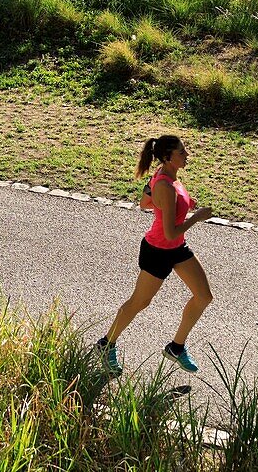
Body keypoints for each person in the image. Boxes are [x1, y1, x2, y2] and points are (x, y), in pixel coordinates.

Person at [95, 135, 213, 378]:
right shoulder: (164, 185)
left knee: (203, 296)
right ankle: (106, 345)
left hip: (177, 249)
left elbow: (144, 203)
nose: (187, 154)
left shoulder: (164, 175)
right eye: (182, 152)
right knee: (139, 302)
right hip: (159, 250)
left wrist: (183, 205)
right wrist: (195, 217)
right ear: (168, 157)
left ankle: (176, 347)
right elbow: (169, 232)